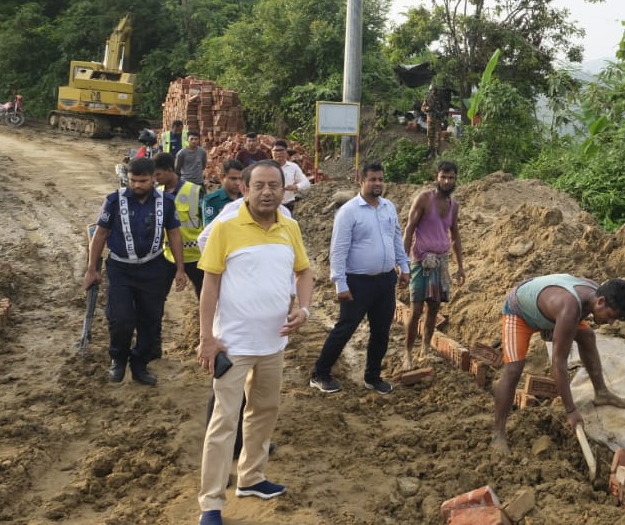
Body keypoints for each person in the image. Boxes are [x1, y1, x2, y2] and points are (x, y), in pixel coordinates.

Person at [195, 160, 314, 525]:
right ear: (245, 189)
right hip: (233, 345)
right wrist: (206, 338)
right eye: (259, 185)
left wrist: (304, 309)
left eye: (274, 185)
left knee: (264, 412)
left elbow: (304, 272)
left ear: (283, 189)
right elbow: (210, 285)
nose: (267, 192)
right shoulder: (226, 227)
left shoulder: (289, 226)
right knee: (224, 423)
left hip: (274, 344)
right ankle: (211, 503)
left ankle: (251, 477)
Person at [491, 274, 625, 454]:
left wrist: (552, 325)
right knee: (514, 370)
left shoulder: (594, 293)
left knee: (587, 336)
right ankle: (498, 433)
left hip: (549, 308)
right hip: (519, 311)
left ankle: (602, 393)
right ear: (600, 302)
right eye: (610, 316)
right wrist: (571, 410)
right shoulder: (570, 308)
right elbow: (558, 362)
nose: (610, 323)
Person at [83, 157, 188, 385]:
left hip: (153, 268)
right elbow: (100, 234)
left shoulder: (166, 202)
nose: (137, 185)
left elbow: (174, 234)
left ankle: (140, 364)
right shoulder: (113, 201)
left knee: (150, 319)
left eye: (143, 181)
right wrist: (91, 269)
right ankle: (118, 359)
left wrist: (180, 268)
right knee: (120, 319)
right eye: (133, 180)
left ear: (153, 179)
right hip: (120, 268)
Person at [309, 162, 409, 395]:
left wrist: (404, 267)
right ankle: (320, 373)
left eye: (380, 179)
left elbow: (396, 239)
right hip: (357, 282)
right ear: (361, 181)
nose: (377, 183)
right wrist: (340, 283)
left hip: (385, 281)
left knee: (381, 332)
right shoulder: (349, 212)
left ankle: (373, 377)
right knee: (345, 328)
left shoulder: (388, 207)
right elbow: (338, 250)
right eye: (372, 179)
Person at [401, 161, 465, 370]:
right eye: (443, 177)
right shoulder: (424, 199)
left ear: (455, 179)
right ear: (436, 177)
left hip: (440, 263)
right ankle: (408, 354)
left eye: (451, 178)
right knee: (416, 310)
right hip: (421, 262)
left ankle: (425, 350)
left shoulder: (453, 206)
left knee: (434, 308)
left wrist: (461, 266)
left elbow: (455, 236)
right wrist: (403, 263)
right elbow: (409, 229)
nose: (446, 181)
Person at [154, 152, 206, 298]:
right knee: (157, 295)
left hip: (194, 256)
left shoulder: (195, 191)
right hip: (168, 255)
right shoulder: (157, 193)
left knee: (204, 294)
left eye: (158, 174)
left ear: (170, 170)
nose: (155, 178)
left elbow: (207, 223)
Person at [269, 140, 310, 215]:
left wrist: (295, 187)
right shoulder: (265, 167)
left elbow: (306, 183)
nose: (278, 153)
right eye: (276, 151)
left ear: (286, 151)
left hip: (287, 205)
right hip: (269, 205)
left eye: (281, 150)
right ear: (271, 152)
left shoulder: (293, 167)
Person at [202, 160, 245, 227]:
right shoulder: (211, 201)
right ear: (221, 177)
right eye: (233, 179)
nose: (238, 183)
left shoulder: (246, 198)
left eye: (240, 179)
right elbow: (210, 229)